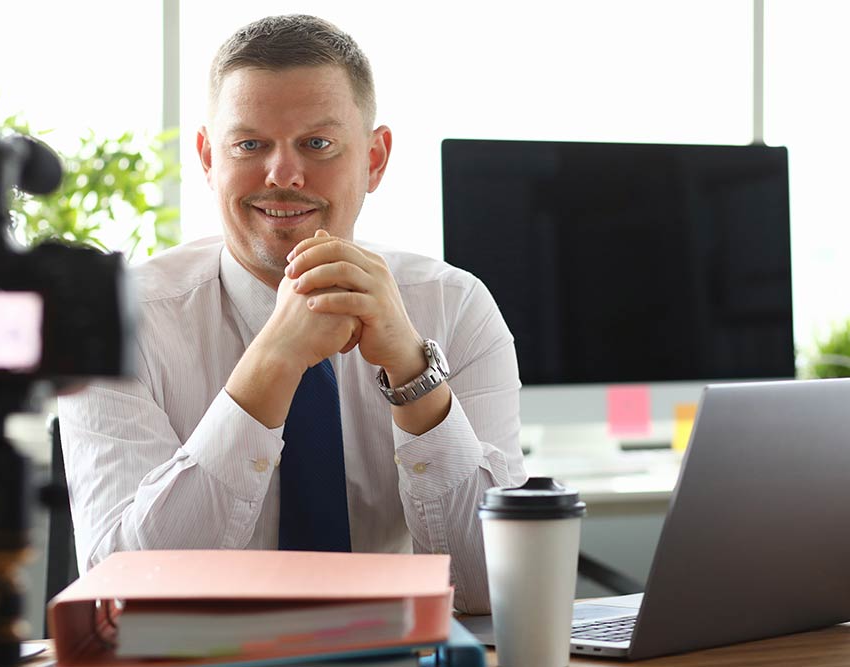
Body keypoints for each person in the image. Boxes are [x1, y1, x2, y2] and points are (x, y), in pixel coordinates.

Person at [57, 14, 525, 614]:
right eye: (250, 144)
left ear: (375, 159)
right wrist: (272, 363)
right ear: (207, 157)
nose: (283, 174)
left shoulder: (454, 308)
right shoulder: (115, 321)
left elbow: (498, 589)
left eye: (318, 143)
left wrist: (414, 375)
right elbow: (125, 596)